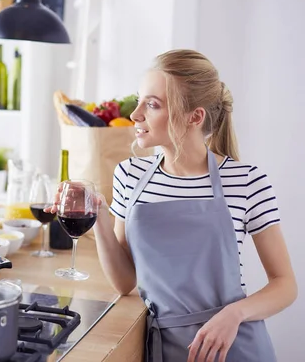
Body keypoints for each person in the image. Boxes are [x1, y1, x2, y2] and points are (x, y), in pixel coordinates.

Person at [50, 50, 297, 362]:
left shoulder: (246, 181)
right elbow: (125, 282)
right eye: (140, 101)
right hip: (164, 349)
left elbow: (285, 284)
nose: (135, 114)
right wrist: (97, 216)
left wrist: (234, 314)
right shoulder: (130, 174)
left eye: (152, 105)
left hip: (234, 347)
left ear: (194, 116)